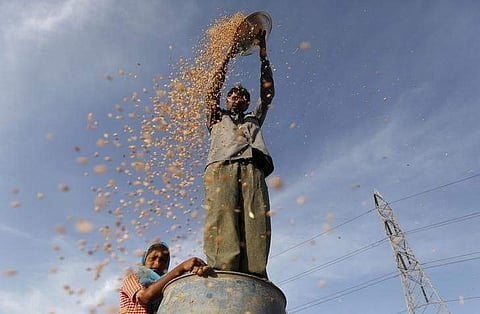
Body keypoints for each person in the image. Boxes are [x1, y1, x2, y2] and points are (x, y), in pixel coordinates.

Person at [203, 29, 275, 279]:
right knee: (222, 217)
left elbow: (267, 95)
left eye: (243, 97)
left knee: (255, 221)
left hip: (252, 168)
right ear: (227, 99)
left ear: (247, 102)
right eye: (233, 95)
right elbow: (212, 90)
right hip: (221, 166)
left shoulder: (254, 118)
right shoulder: (216, 117)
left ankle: (255, 274)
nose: (238, 98)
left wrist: (263, 56)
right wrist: (227, 57)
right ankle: (223, 271)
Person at [120, 242, 209, 314]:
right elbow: (145, 297)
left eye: (162, 260)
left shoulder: (169, 284)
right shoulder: (134, 278)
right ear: (144, 260)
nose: (157, 264)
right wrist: (181, 268)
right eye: (153, 258)